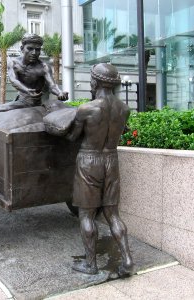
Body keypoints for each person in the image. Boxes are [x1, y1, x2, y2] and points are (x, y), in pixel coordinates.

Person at [66, 63, 134, 276]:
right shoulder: (124, 109)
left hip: (89, 160)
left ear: (94, 82)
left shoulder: (87, 109)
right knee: (113, 214)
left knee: (86, 214)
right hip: (111, 160)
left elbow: (72, 137)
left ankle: (90, 264)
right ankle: (128, 260)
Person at [0, 33, 68, 114]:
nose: (34, 52)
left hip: (36, 103)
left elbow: (52, 85)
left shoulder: (44, 67)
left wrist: (60, 93)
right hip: (21, 101)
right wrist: (27, 90)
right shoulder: (14, 63)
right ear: (22, 48)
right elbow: (14, 80)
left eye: (37, 49)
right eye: (30, 49)